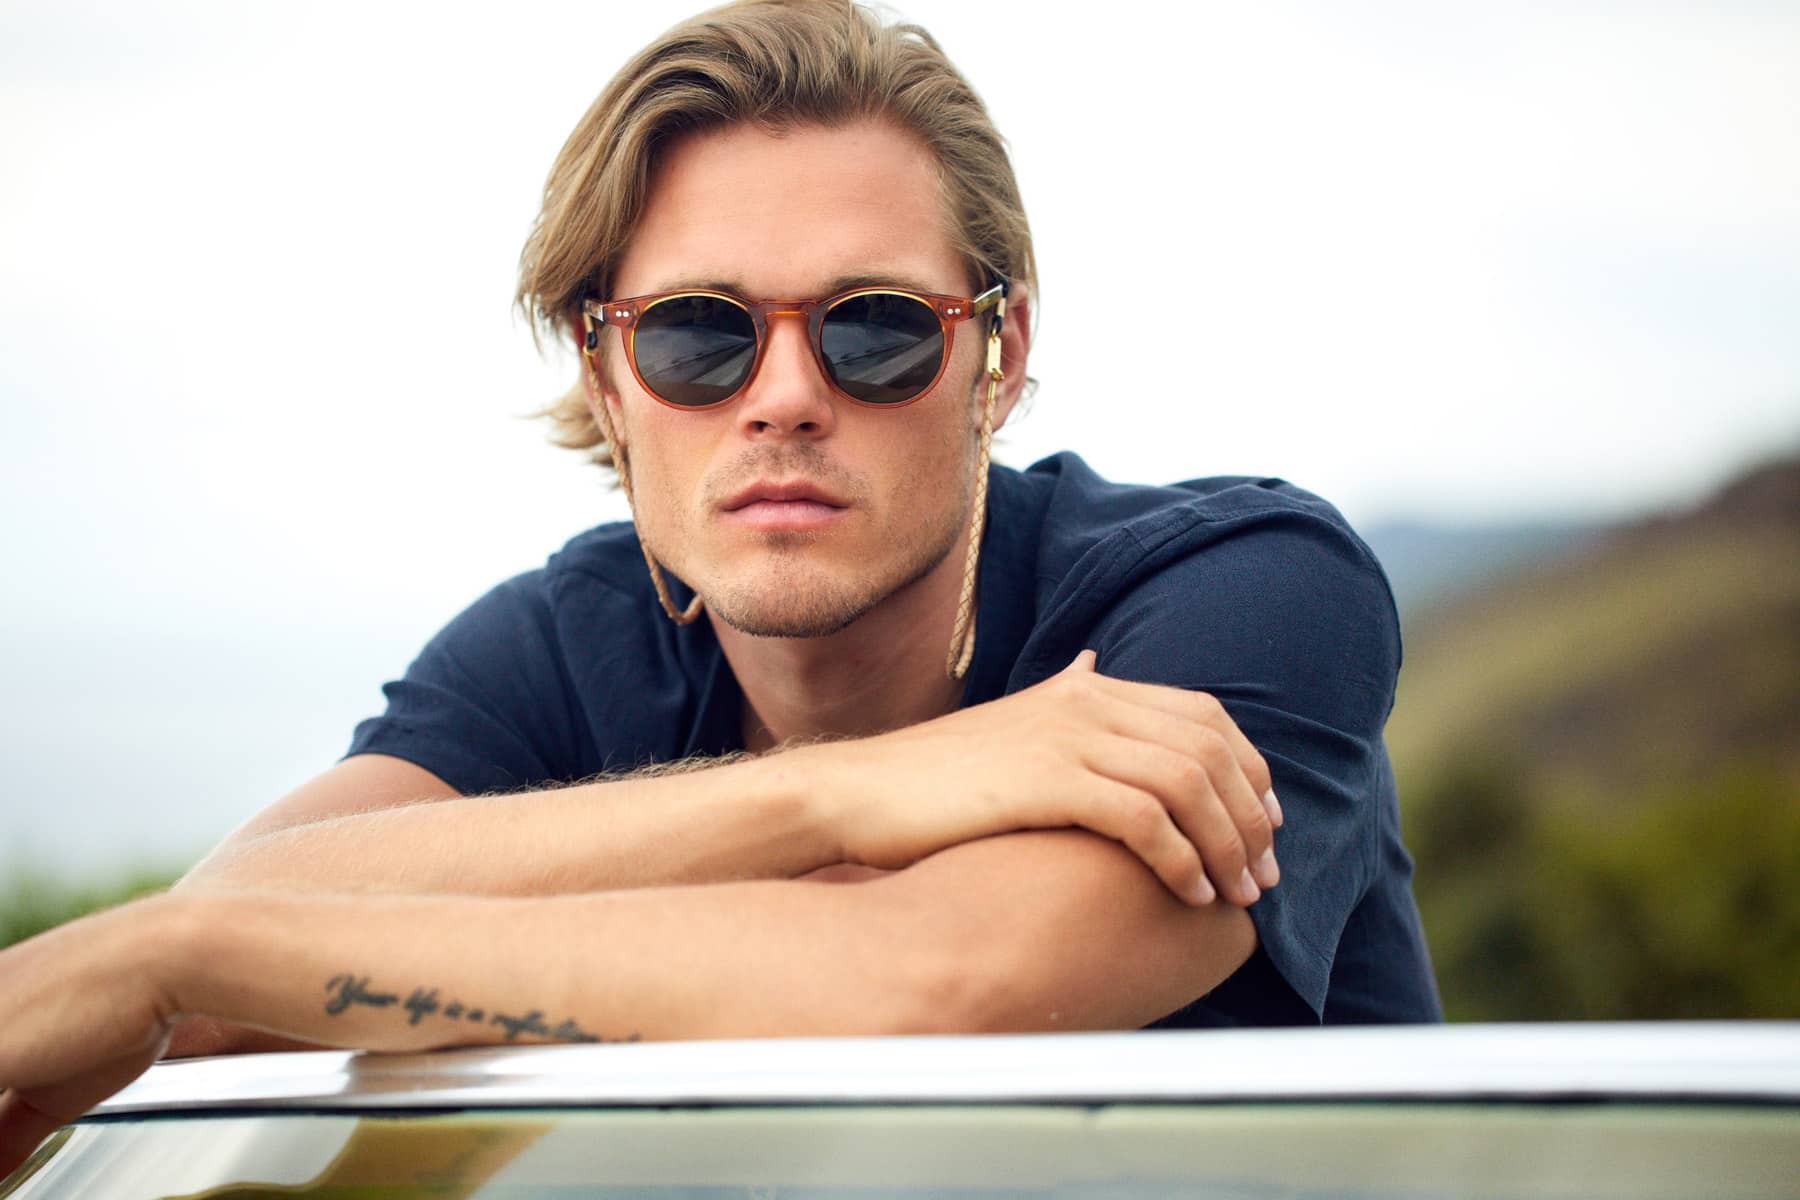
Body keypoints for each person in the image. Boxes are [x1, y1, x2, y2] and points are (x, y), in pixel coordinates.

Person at [0, 0, 1438, 1176]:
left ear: (997, 355)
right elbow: (257, 902)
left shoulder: (1243, 597)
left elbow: (938, 989)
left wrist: (185, 955)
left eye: (878, 328)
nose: (788, 397)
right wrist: (836, 796)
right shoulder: (581, 638)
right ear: (604, 376)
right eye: (700, 333)